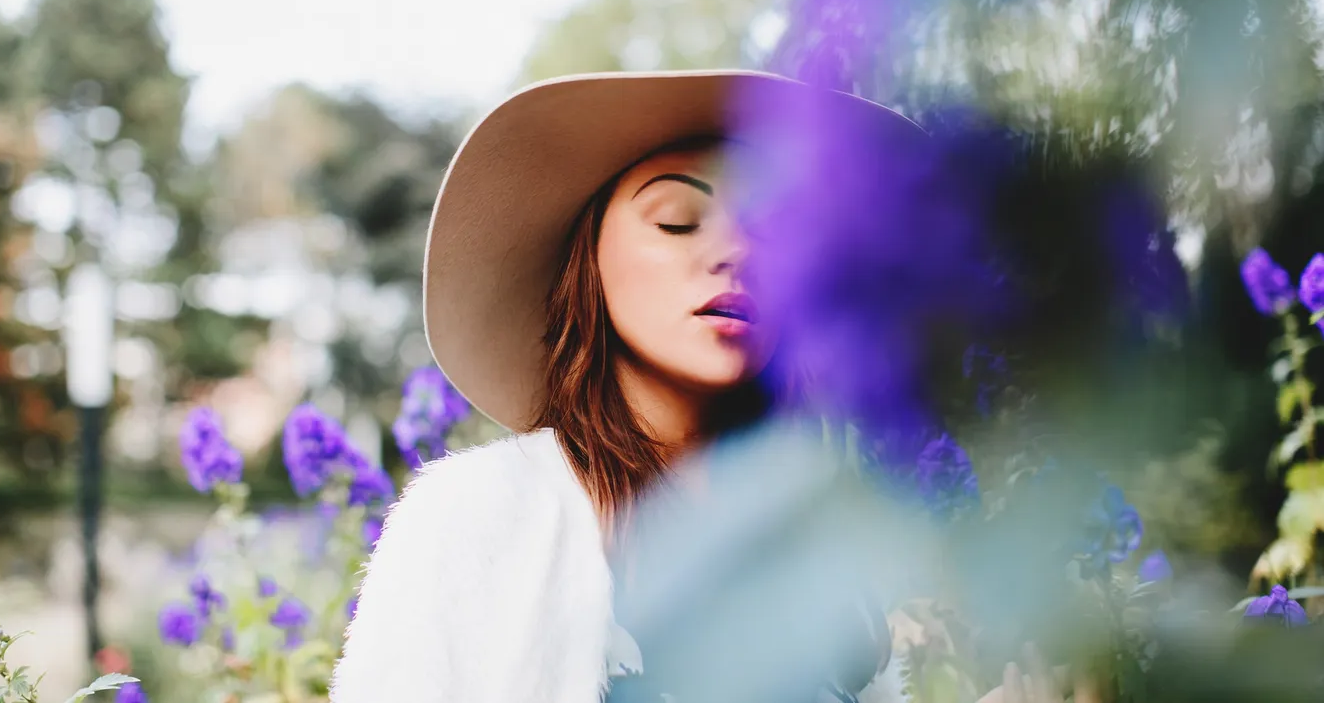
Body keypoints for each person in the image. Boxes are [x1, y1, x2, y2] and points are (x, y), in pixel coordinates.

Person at [328, 71, 1088, 703]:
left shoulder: (823, 546)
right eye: (679, 220)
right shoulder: (483, 519)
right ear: (587, 267)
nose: (733, 253)